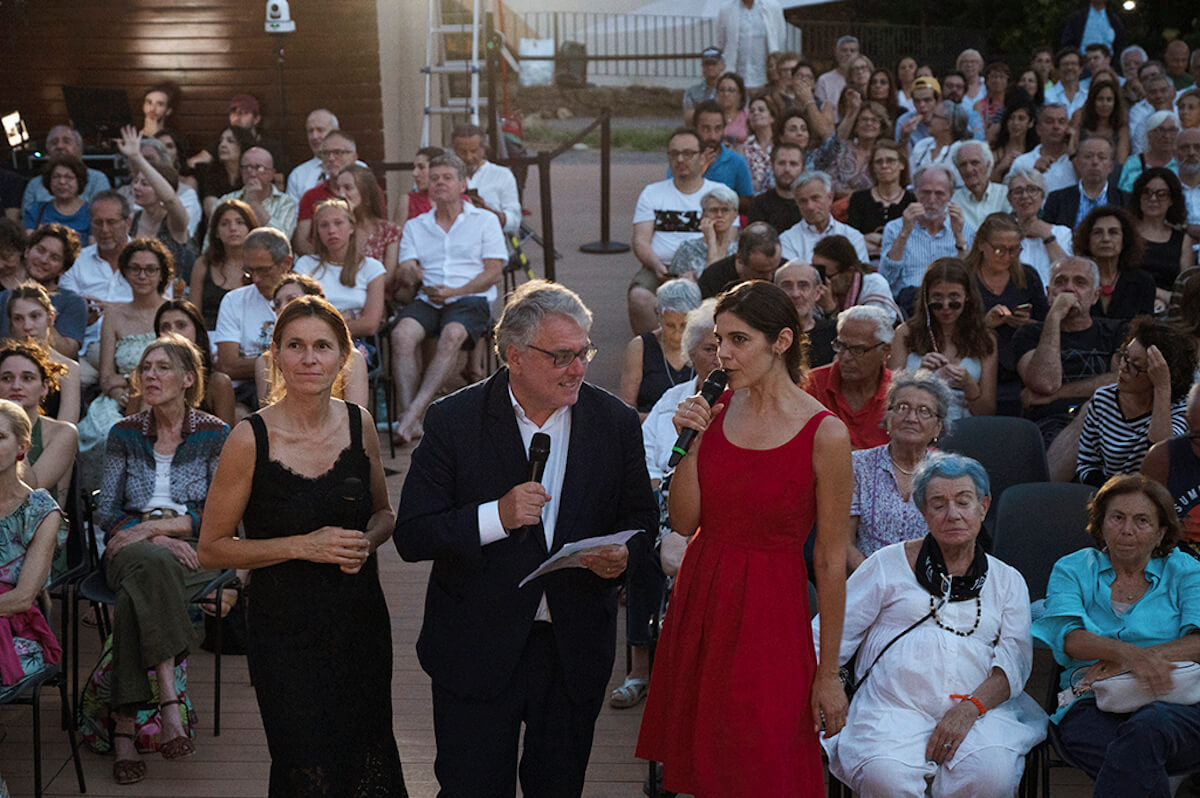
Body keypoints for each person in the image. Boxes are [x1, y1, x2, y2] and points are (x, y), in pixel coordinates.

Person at [394, 280, 656, 798]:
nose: (579, 368)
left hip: (572, 648)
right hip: (475, 648)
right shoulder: (453, 420)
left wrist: (622, 559)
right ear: (514, 355)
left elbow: (643, 524)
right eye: (562, 356)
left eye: (584, 352)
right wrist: (497, 515)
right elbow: (413, 534)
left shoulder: (615, 423)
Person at [636, 279, 851, 796]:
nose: (722, 354)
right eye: (718, 340)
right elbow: (686, 523)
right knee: (707, 760)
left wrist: (828, 675)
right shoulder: (713, 409)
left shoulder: (826, 434)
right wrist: (690, 444)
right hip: (704, 593)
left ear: (780, 342)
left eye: (738, 340)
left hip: (773, 609)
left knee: (766, 756)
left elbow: (829, 560)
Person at [199, 296, 405, 797]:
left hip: (359, 620)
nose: (309, 358)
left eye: (321, 346)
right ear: (274, 355)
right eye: (295, 345)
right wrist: (301, 546)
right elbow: (212, 549)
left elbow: (384, 514)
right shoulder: (249, 439)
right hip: (283, 628)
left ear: (343, 356)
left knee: (366, 752)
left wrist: (367, 541)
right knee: (303, 762)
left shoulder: (360, 426)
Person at [819, 451, 1046, 797]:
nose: (952, 514)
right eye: (938, 504)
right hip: (891, 711)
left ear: (983, 507)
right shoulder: (885, 565)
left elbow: (1014, 661)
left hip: (980, 715)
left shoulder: (1007, 580)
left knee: (991, 778)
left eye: (963, 501)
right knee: (886, 778)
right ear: (923, 513)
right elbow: (829, 632)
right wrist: (829, 683)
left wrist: (970, 710)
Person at [97, 334, 229, 785]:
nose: (150, 375)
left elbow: (219, 512)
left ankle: (124, 730)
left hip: (189, 548)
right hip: (129, 546)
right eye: (146, 368)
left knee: (138, 596)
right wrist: (145, 538)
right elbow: (106, 511)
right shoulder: (124, 432)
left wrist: (156, 530)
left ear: (188, 379)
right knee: (148, 569)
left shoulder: (215, 433)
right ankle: (170, 703)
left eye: (163, 367)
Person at [1032, 474, 1200, 795]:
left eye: (1141, 521)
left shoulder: (1186, 570)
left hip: (1179, 702)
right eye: (1117, 518)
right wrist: (1131, 655)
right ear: (1101, 524)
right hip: (1092, 701)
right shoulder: (1073, 569)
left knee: (1146, 731)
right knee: (1136, 757)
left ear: (1161, 531)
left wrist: (1127, 662)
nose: (1127, 530)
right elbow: (1071, 638)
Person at [621, 299, 720, 709]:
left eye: (727, 346)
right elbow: (645, 463)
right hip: (669, 504)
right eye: (709, 349)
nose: (719, 357)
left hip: (720, 514)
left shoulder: (749, 406)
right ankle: (641, 666)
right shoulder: (670, 401)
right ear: (691, 354)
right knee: (642, 546)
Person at [392, 153, 504, 443]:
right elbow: (406, 267)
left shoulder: (485, 221)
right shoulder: (417, 225)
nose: (439, 183)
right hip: (429, 298)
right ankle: (410, 417)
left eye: (447, 178)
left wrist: (455, 292)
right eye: (434, 178)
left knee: (452, 334)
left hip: (471, 299)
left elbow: (493, 272)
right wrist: (409, 270)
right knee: (402, 334)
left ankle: (412, 415)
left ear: (463, 184)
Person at [76, 239, 171, 483]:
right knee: (106, 434)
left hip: (168, 393)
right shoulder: (115, 316)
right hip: (120, 395)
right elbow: (107, 375)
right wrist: (121, 391)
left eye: (150, 269)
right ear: (125, 272)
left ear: (162, 274)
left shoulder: (173, 313)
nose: (142, 275)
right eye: (135, 268)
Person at [1014, 256, 1127, 446]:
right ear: (1049, 293)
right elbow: (1045, 384)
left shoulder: (1117, 331)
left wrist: (1057, 395)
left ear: (1095, 296)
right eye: (1060, 282)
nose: (1069, 289)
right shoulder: (1029, 334)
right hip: (1051, 425)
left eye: (1080, 282)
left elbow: (1120, 381)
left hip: (1107, 421)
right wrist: (1054, 316)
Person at [847, 370, 949, 570]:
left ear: (937, 427)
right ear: (888, 417)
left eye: (924, 411)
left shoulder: (948, 473)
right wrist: (878, 582)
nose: (911, 418)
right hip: (868, 581)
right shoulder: (858, 465)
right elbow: (843, 544)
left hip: (928, 586)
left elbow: (953, 546)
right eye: (902, 408)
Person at [1075, 319, 1194, 487]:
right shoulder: (1104, 399)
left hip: (1158, 499)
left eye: (1135, 366)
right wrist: (1111, 492)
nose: (1123, 368)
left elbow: (1165, 460)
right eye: (1124, 357)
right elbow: (1087, 463)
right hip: (1108, 495)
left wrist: (1161, 389)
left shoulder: (1181, 411)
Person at [0, 397, 65, 704]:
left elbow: (24, 597)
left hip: (18, 630)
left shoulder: (40, 511)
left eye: (0, 437)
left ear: (22, 448)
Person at [629, 128, 723, 334]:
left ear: (702, 157)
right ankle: (655, 353)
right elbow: (640, 242)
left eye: (688, 153)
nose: (681, 159)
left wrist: (699, 273)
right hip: (660, 269)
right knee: (639, 298)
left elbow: (727, 243)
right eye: (674, 153)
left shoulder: (718, 194)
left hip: (706, 268)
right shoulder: (652, 193)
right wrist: (656, 266)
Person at [889, 258, 998, 420]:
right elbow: (889, 400)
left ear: (967, 297)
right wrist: (920, 375)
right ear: (926, 298)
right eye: (937, 300)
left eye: (954, 299)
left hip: (966, 428)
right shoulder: (906, 333)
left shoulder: (984, 339)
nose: (946, 307)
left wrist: (970, 386)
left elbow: (987, 412)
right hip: (914, 424)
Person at [964, 213, 1049, 415]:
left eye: (1014, 250)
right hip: (974, 363)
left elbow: (1047, 326)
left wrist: (1028, 323)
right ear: (981, 245)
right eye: (1000, 249)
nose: (1007, 257)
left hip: (1018, 368)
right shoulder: (964, 277)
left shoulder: (1027, 276)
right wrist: (984, 325)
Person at [253, 273, 370, 410]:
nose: (282, 308)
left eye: (291, 299)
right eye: (277, 304)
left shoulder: (352, 358)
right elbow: (267, 417)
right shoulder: (265, 361)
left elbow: (356, 420)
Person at [58, 191, 134, 386]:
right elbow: (68, 309)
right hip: (91, 345)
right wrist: (83, 315)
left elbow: (162, 305)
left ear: (128, 223)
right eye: (98, 222)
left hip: (135, 339)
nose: (104, 229)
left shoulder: (146, 259)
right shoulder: (76, 261)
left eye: (111, 222)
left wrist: (114, 310)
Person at [213, 227, 291, 412]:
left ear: (286, 263)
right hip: (246, 391)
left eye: (264, 270)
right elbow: (228, 365)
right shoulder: (234, 301)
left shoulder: (305, 297)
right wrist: (286, 362)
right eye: (250, 271)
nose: (255, 279)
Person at [123, 300, 237, 428]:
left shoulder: (218, 383)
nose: (173, 332)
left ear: (197, 331)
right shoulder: (145, 377)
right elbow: (128, 433)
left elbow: (227, 442)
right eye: (165, 327)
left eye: (181, 325)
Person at [880, 164, 974, 308]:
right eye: (925, 192)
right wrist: (904, 233)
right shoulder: (895, 228)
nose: (931, 199)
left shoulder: (965, 229)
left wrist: (959, 237)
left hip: (949, 303)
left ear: (951, 195)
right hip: (908, 301)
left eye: (939, 193)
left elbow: (970, 278)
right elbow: (886, 279)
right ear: (916, 192)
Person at [293, 199, 385, 340]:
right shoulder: (305, 265)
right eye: (324, 225)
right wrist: (349, 319)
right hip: (312, 341)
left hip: (354, 342)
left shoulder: (372, 268)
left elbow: (370, 324)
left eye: (338, 223)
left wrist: (323, 327)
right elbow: (297, 313)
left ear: (352, 227)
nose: (331, 230)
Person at [805, 304, 894, 450]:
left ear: (885, 351)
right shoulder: (811, 385)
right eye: (841, 346)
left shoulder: (899, 393)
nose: (845, 357)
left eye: (858, 349)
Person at [0, 341, 77, 508]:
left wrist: (15, 427)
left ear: (44, 387)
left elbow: (31, 491)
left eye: (27, 378)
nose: (16, 386)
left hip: (35, 526)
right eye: (7, 378)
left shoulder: (63, 432)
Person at [117, 127, 195, 284]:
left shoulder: (175, 221)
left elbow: (171, 200)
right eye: (136, 182)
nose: (136, 187)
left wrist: (138, 157)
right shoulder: (133, 219)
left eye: (145, 183)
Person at [2, 224, 86, 360]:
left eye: (54, 258)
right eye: (40, 250)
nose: (43, 260)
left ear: (64, 269)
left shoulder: (73, 302)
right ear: (27, 251)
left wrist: (41, 311)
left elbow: (67, 353)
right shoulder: (4, 298)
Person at [618, 279, 700, 417]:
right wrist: (662, 424)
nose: (677, 335)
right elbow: (626, 409)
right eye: (670, 325)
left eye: (684, 326)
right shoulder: (639, 347)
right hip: (649, 430)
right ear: (659, 316)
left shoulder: (707, 346)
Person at [6, 282, 81, 424]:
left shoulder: (68, 368)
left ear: (50, 319)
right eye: (18, 319)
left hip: (52, 442)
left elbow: (67, 427)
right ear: (11, 323)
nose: (27, 326)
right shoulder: (2, 364)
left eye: (35, 316)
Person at [1074, 205, 1157, 319]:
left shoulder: (1143, 282)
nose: (1106, 239)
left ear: (1125, 240)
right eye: (1097, 232)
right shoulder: (1076, 281)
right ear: (1087, 240)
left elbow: (1144, 329)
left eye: (1113, 232)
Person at [1142, 384, 1200, 544]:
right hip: (1175, 562)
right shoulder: (1162, 459)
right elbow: (1143, 524)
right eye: (1199, 437)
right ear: (1187, 422)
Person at [1130, 168, 1196, 303]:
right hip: (1130, 303)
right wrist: (1156, 292)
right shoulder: (1127, 233)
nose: (1153, 198)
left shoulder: (1183, 240)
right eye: (1146, 192)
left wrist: (1166, 298)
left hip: (1169, 309)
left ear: (1172, 200)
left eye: (1161, 194)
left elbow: (1185, 289)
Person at [335, 164, 403, 297]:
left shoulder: (389, 230)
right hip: (338, 296)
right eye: (338, 188)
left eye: (348, 188)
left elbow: (387, 278)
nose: (341, 194)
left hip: (374, 298)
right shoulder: (334, 229)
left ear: (365, 193)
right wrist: (346, 219)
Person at [189, 199, 255, 330]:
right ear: (216, 232)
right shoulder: (202, 264)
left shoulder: (260, 265)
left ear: (250, 228)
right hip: (210, 336)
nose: (233, 228)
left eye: (240, 222)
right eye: (225, 224)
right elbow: (193, 314)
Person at [19, 126, 112, 218]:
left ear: (79, 148)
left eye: (67, 141)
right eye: (54, 143)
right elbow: (27, 222)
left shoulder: (97, 179)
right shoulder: (34, 185)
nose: (59, 146)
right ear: (47, 149)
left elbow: (103, 219)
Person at [847, 139, 917, 262]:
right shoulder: (859, 199)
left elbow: (916, 240)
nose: (884, 165)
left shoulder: (912, 200)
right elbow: (852, 238)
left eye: (890, 160)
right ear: (873, 167)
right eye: (879, 162)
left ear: (902, 165)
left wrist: (880, 241)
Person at [294, 130, 361, 255]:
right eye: (326, 153)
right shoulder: (311, 196)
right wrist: (327, 261)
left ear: (354, 157)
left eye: (338, 152)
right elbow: (301, 242)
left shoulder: (367, 192)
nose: (331, 158)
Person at [779, 170, 869, 262]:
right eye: (803, 201)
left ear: (830, 198)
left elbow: (861, 274)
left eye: (815, 198)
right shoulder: (787, 240)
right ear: (797, 204)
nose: (810, 207)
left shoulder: (852, 237)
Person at [811, 234, 902, 324]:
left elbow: (869, 334)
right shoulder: (815, 287)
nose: (820, 282)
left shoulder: (874, 286)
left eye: (826, 276)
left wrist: (830, 309)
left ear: (849, 272)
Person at [214, 146, 297, 242]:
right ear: (241, 172)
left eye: (259, 168)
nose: (252, 174)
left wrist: (254, 203)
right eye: (247, 168)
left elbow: (282, 241)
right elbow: (210, 244)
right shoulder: (225, 201)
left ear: (271, 174)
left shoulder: (285, 203)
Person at [810, 99, 891, 198]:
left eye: (874, 120)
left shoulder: (884, 155)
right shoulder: (843, 148)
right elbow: (828, 179)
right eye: (864, 119)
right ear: (856, 126)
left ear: (881, 128)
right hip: (837, 205)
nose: (869, 123)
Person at [1005, 167, 1074, 285]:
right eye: (1018, 191)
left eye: (1032, 190)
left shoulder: (1062, 233)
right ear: (1010, 199)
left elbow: (1068, 273)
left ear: (1043, 197)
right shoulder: (1005, 235)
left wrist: (1048, 237)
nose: (1025, 196)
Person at [451, 124, 522, 236]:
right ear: (454, 151)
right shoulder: (444, 175)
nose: (469, 157)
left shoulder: (502, 175)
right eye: (462, 152)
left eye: (474, 151)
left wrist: (489, 213)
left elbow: (514, 221)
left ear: (483, 149)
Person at [1043, 136, 1125, 229]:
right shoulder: (1057, 199)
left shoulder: (1124, 200)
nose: (1095, 162)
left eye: (1101, 157)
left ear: (1111, 166)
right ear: (1077, 163)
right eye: (1088, 157)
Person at [668, 185, 740, 280]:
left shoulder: (738, 251)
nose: (719, 215)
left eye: (725, 210)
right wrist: (711, 239)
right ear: (703, 214)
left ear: (735, 215)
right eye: (713, 210)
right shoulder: (688, 248)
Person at [714, 0, 787, 92]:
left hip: (764, 78)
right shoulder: (726, 9)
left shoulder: (772, 7)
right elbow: (720, 42)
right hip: (736, 77)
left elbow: (780, 38)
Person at [696, 221, 781, 299]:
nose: (770, 277)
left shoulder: (787, 272)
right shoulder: (713, 278)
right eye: (761, 272)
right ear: (740, 259)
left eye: (774, 270)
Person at [776, 259, 837, 367]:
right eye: (787, 286)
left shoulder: (834, 334)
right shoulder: (766, 336)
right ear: (776, 292)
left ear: (817, 293)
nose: (795, 294)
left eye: (803, 285)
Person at [1009, 103, 1075, 195]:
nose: (1056, 126)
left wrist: (1072, 153)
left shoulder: (1078, 163)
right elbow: (1012, 197)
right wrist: (1034, 173)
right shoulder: (1022, 162)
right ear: (1038, 129)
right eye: (1049, 121)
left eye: (1061, 122)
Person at [23, 154, 89, 240]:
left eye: (69, 177)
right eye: (56, 177)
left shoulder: (91, 212)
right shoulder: (36, 211)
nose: (62, 182)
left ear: (79, 181)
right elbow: (29, 244)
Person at [746, 140, 804, 233]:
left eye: (793, 164)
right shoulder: (759, 204)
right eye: (781, 163)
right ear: (772, 167)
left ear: (803, 169)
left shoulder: (809, 204)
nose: (787, 169)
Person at [951, 140, 1011, 229]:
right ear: (958, 170)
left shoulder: (1006, 195)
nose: (969, 170)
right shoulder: (952, 201)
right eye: (963, 165)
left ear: (988, 164)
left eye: (975, 163)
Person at [198, 126, 254, 219]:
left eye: (230, 141)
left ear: (243, 145)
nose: (222, 145)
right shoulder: (211, 174)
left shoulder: (251, 174)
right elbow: (212, 211)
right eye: (221, 141)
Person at [285, 109, 339, 202]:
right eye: (310, 131)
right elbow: (293, 215)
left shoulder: (357, 168)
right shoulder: (298, 175)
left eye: (320, 130)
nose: (314, 136)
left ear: (335, 133)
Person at [1074, 78, 1131, 164]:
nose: (1105, 104)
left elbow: (1121, 163)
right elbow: (1072, 153)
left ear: (1115, 103)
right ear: (1093, 102)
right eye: (1100, 99)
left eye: (1109, 100)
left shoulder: (1122, 130)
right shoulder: (1081, 125)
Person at [909, 101, 969, 182]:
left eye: (934, 116)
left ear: (948, 124)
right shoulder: (922, 145)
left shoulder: (960, 152)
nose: (929, 119)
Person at [1121, 109, 1180, 191]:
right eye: (1161, 130)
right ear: (1149, 134)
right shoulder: (1133, 163)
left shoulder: (1182, 164)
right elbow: (1124, 194)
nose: (1167, 135)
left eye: (1172, 130)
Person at [990, 90, 1039, 184]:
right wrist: (1000, 168)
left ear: (1031, 122)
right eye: (1011, 118)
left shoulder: (1037, 150)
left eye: (1021, 118)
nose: (1015, 123)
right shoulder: (996, 150)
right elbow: (989, 186)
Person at [738, 93, 781, 193]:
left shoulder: (781, 144)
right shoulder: (743, 148)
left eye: (761, 110)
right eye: (752, 111)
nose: (755, 113)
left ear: (772, 118)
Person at [1130, 70, 1177, 156]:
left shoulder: (1184, 115)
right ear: (1148, 98)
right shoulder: (1143, 126)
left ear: (1173, 92)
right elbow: (1139, 156)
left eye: (1163, 90)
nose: (1158, 95)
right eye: (1153, 92)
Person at [394, 146, 444, 223]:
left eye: (421, 167)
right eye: (414, 168)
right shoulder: (407, 202)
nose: (414, 173)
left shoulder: (462, 202)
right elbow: (398, 233)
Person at [1061, 0, 1128, 57]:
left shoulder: (1114, 20)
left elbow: (1121, 44)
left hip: (1108, 64)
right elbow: (1068, 41)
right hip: (1083, 62)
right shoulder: (1078, 17)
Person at [816, 35, 860, 109]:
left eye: (852, 51)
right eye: (844, 50)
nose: (848, 54)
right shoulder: (824, 80)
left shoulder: (863, 78)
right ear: (836, 53)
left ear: (858, 54)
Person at [683, 47, 725, 126]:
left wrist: (699, 111)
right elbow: (688, 118)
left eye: (714, 64)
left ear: (722, 66)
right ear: (702, 67)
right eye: (706, 64)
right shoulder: (692, 92)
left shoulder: (729, 90)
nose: (710, 67)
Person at [1046, 48, 1090, 117]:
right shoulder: (1047, 96)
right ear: (1057, 69)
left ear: (1081, 69)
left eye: (1074, 64)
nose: (1069, 67)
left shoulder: (1088, 96)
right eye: (1065, 64)